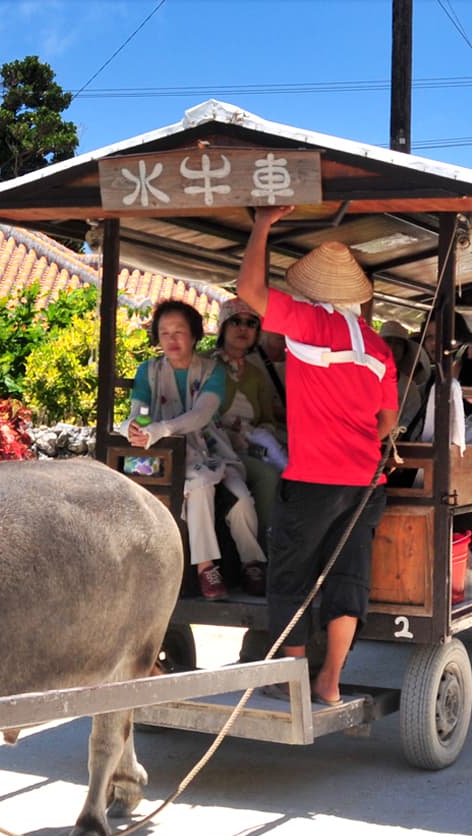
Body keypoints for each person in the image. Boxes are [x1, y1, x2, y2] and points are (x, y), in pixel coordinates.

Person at [238, 205, 398, 706]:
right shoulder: (378, 348)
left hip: (312, 481)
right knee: (347, 576)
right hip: (364, 482)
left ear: (312, 291)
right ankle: (329, 680)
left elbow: (250, 293)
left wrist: (262, 226)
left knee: (291, 575)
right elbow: (386, 422)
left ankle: (290, 678)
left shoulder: (306, 323)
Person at [124, 300, 267, 599]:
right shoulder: (148, 371)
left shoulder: (212, 371)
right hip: (163, 454)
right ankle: (205, 568)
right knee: (200, 486)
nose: (172, 339)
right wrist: (136, 428)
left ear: (194, 336)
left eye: (179, 332)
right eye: (164, 333)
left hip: (210, 449)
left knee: (241, 498)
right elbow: (139, 412)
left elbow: (202, 414)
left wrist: (160, 428)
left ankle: (251, 561)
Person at [208, 297, 288, 535]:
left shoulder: (256, 373)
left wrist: (255, 436)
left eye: (251, 323)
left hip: (246, 448)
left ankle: (263, 548)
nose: (243, 328)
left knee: (269, 475)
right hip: (211, 446)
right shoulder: (204, 363)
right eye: (236, 322)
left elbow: (266, 419)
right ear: (223, 326)